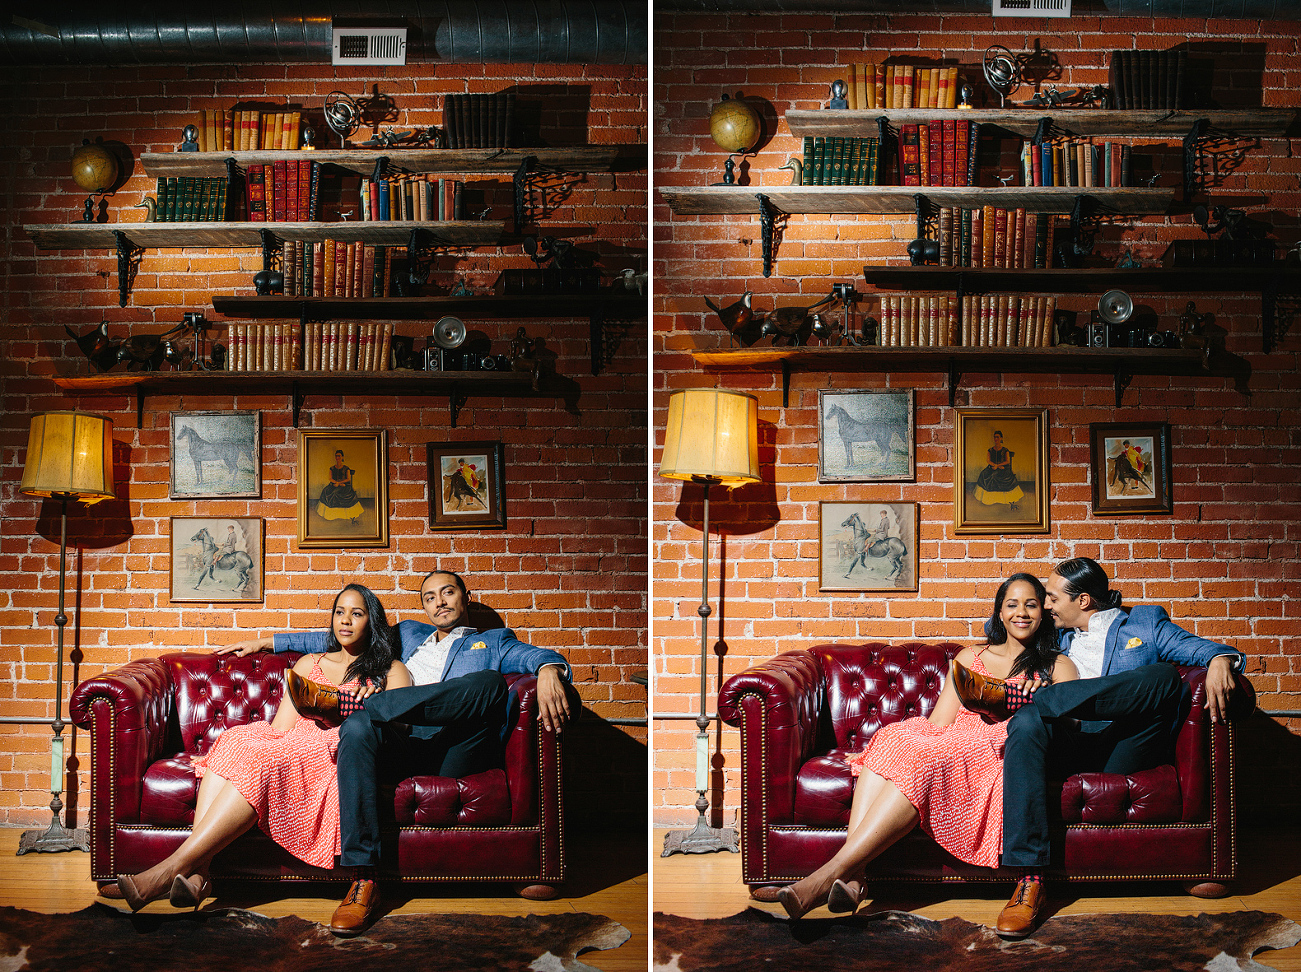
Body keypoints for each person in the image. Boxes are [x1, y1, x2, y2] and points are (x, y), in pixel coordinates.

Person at [216, 568, 572, 935]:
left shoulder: (494, 641)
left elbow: (535, 655)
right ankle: (363, 880)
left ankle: (365, 707)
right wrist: (267, 642)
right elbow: (342, 634)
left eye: (447, 592)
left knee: (488, 683)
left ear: (465, 597)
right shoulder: (408, 634)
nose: (439, 602)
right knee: (354, 729)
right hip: (403, 739)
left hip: (453, 744)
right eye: (430, 597)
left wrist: (547, 669)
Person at [775, 573, 1079, 920]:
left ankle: (826, 876)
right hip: (953, 738)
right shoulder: (970, 657)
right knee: (892, 740)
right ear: (999, 613)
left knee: (923, 758)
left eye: (1031, 604)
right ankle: (854, 878)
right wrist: (887, 747)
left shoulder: (1057, 666)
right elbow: (939, 722)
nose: (1021, 613)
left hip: (999, 748)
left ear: (1043, 613)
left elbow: (1069, 726)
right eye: (1012, 604)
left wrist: (1039, 697)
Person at [979, 557, 1246, 938]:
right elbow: (999, 625)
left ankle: (1044, 701)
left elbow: (1199, 649)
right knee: (1024, 722)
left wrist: (1222, 659)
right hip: (1068, 740)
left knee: (1163, 677)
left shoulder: (1144, 623)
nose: (1047, 605)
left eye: (1052, 598)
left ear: (1084, 600)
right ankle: (1029, 881)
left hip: (1125, 743)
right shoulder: (1053, 635)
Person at [112, 584, 410, 912]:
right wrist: (237, 750)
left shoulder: (390, 671)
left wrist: (372, 703)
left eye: (357, 613)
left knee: (262, 758)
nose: (346, 621)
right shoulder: (308, 662)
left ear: (372, 621)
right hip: (292, 742)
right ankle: (199, 876)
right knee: (234, 742)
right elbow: (281, 728)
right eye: (340, 612)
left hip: (334, 751)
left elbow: (400, 732)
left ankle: (168, 870)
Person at [974, 430, 1023, 509]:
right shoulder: (990, 450)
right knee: (984, 474)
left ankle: (1004, 499)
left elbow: (1007, 461)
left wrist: (999, 465)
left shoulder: (1005, 450)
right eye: (995, 437)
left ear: (1001, 438)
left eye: (997, 437)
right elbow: (988, 460)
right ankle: (989, 499)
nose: (996, 439)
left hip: (1003, 468)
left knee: (995, 476)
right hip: (992, 467)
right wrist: (994, 465)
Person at [318, 449, 362, 520]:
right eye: (336, 456)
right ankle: (330, 514)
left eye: (339, 456)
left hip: (345, 485)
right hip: (334, 484)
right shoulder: (332, 468)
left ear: (342, 457)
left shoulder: (346, 468)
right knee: (325, 490)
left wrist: (340, 483)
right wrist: (336, 483)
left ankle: (340, 514)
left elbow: (348, 479)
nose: (337, 458)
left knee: (335, 493)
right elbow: (330, 478)